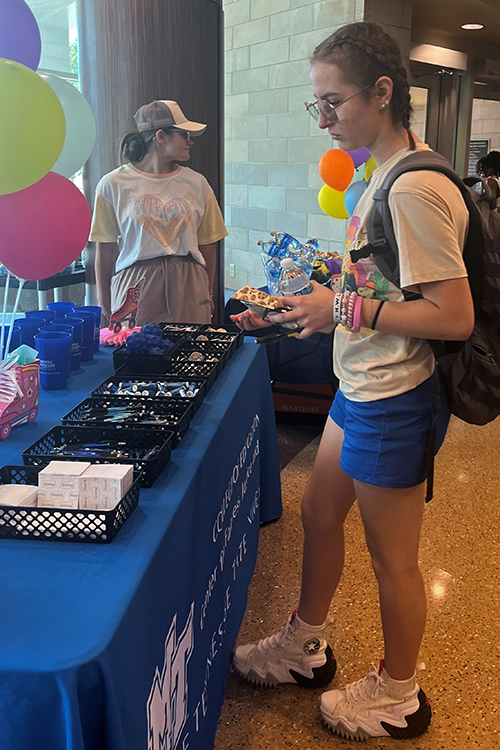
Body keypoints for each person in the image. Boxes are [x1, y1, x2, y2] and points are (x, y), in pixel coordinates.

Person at [230, 22, 474, 742]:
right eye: (317, 106)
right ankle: (306, 649)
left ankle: (400, 695)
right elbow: (389, 283)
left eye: (332, 102)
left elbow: (452, 315)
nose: (324, 119)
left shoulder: (415, 187)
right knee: (317, 514)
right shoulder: (382, 173)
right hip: (362, 385)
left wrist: (339, 305)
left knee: (394, 561)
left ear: (382, 92)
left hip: (396, 395)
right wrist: (315, 294)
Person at [89, 100, 228, 325]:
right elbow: (104, 246)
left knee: (191, 354)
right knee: (135, 354)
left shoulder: (197, 183)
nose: (190, 142)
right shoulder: (113, 184)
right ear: (161, 136)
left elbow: (208, 245)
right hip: (135, 286)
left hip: (189, 285)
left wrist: (209, 293)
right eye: (184, 135)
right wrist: (104, 299)